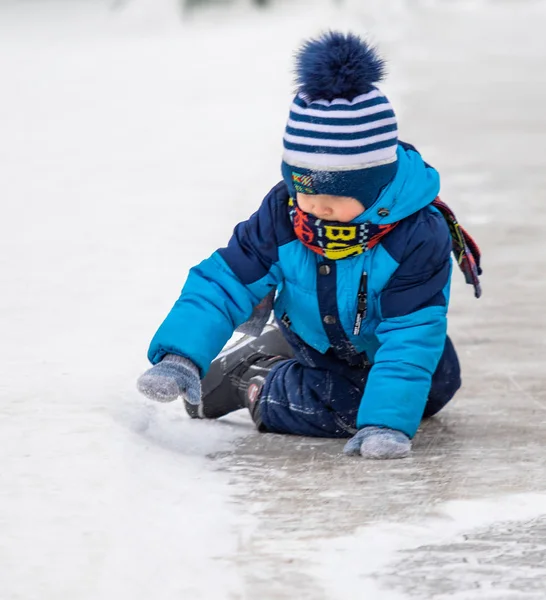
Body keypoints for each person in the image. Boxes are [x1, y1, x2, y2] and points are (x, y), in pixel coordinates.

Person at [137, 31, 482, 459]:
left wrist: (387, 424)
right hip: (319, 340)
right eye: (305, 190)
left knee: (437, 386)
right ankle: (254, 381)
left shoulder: (415, 233)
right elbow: (224, 283)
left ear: (375, 187)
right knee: (345, 409)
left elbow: (411, 333)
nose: (316, 207)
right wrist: (179, 356)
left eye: (335, 197)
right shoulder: (284, 214)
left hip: (380, 344)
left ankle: (301, 368)